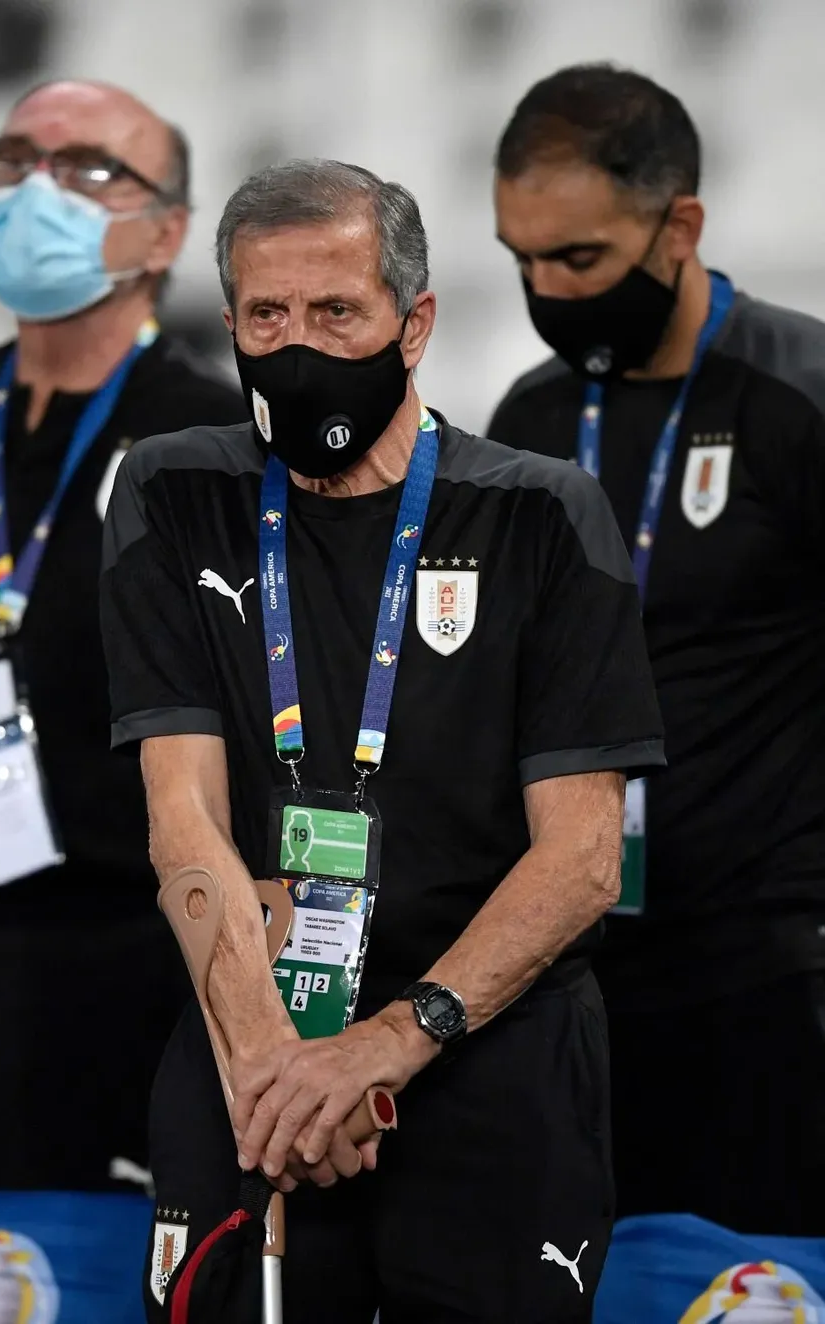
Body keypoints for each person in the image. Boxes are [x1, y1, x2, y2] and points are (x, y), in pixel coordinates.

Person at [100, 158, 664, 1322]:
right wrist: (279, 1075)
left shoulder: (542, 512)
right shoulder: (172, 490)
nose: (295, 342)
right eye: (266, 313)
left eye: (334, 311)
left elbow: (583, 861)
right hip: (247, 1037)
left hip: (484, 1049)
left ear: (413, 326)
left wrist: (382, 1050)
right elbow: (183, 818)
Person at [0, 79, 247, 1191]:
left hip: (124, 957)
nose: (34, 190)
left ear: (164, 230)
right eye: (12, 159)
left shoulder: (210, 439)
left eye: (85, 168)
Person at [488, 64, 825, 1235]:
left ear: (678, 224)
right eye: (519, 260)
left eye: (575, 260)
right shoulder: (529, 421)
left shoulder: (803, 395)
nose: (545, 290)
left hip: (775, 976)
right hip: (579, 975)